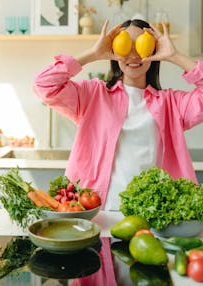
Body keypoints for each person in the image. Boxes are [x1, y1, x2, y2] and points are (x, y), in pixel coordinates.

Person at [33, 19, 203, 210]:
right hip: (97, 212)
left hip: (153, 215)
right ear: (114, 50)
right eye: (125, 46)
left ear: (153, 51)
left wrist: (175, 56)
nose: (133, 55)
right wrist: (93, 54)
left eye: (141, 46)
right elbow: (43, 84)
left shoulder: (171, 104)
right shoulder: (93, 95)